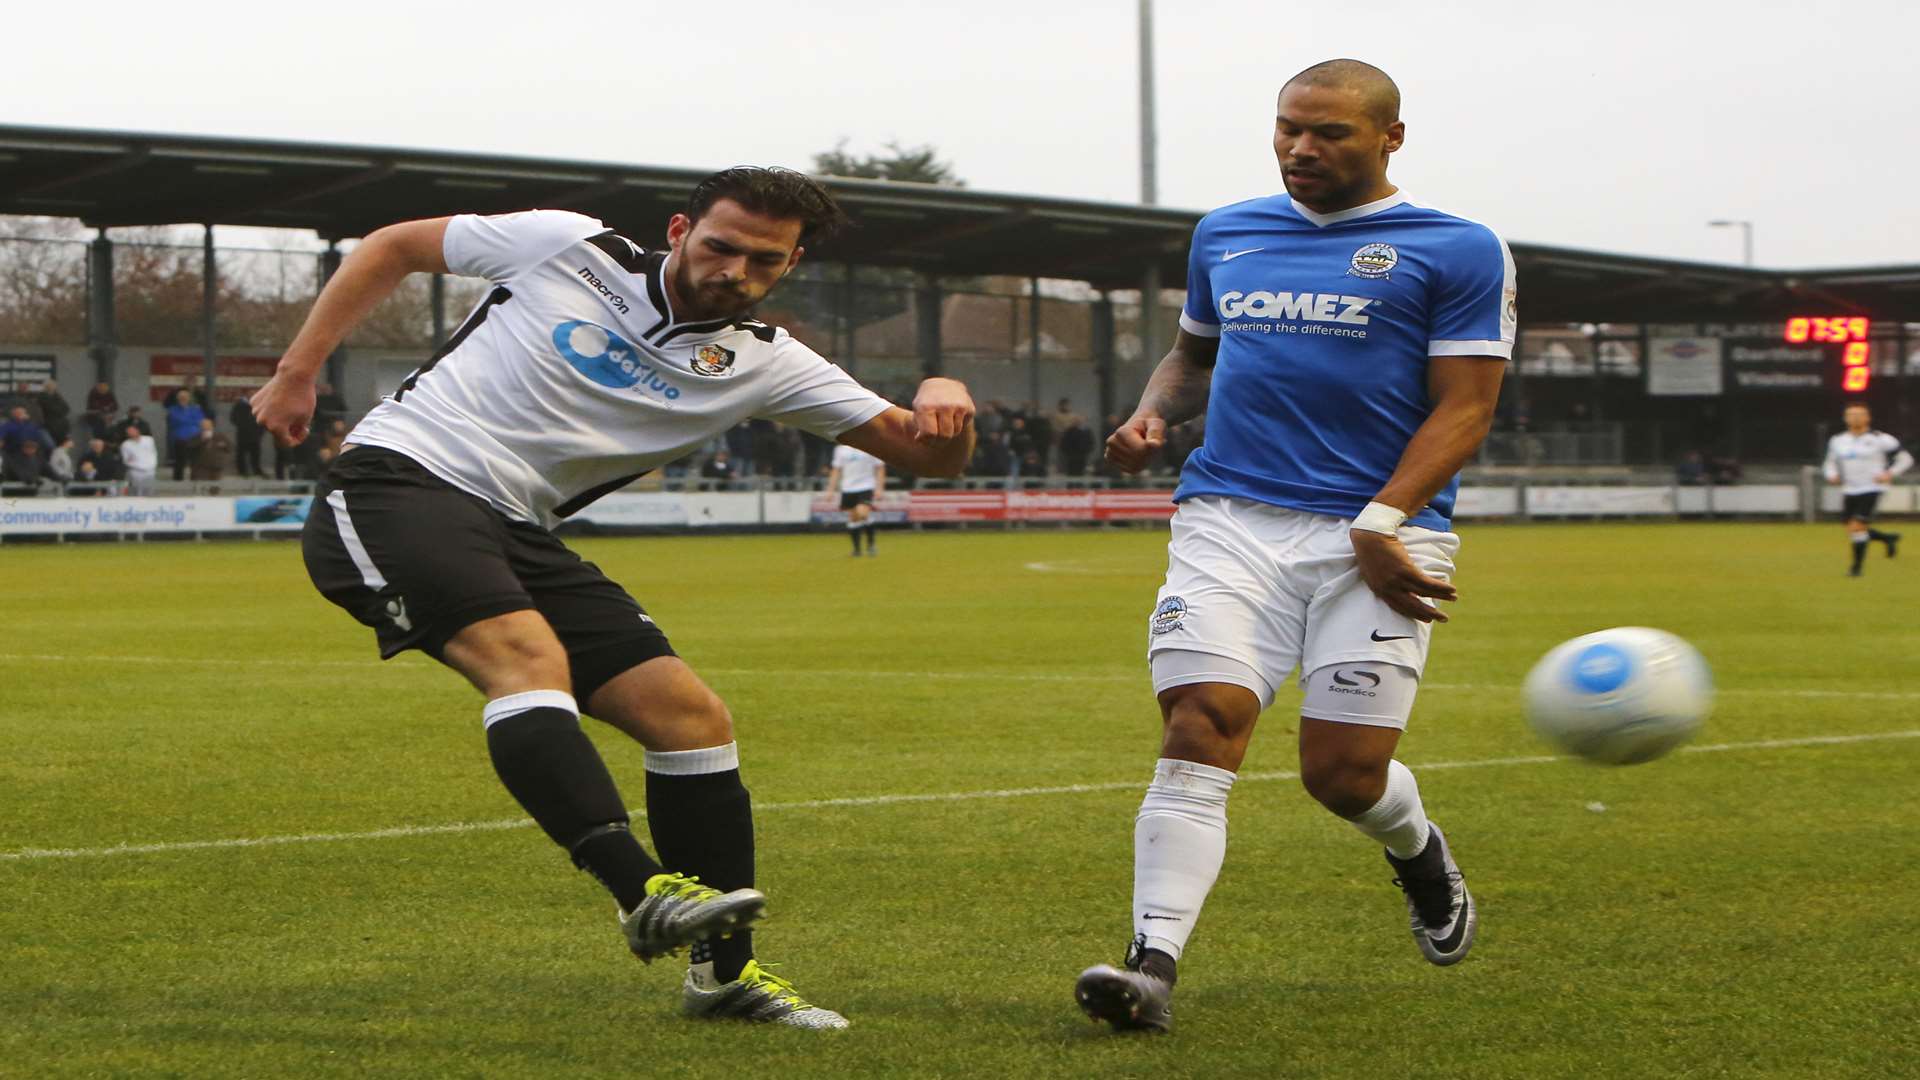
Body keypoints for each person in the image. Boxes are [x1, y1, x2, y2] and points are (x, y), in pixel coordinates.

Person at [249, 167, 976, 1030]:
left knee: (689, 717)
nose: (734, 270)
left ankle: (725, 976)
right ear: (680, 229)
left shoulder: (769, 364)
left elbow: (930, 458)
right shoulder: (566, 244)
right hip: (400, 479)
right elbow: (396, 245)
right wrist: (299, 373)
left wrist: (944, 395)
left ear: (789, 266)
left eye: (762, 261)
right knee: (527, 658)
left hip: (520, 526)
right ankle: (639, 890)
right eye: (720, 246)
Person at [1073, 59, 1514, 1033]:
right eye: (1287, 129)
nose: (1300, 149)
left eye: (1329, 133)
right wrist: (1151, 416)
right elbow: (1192, 356)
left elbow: (1467, 408)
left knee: (1342, 775)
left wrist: (1382, 520)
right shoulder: (1226, 233)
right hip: (1230, 515)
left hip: (1386, 533)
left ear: (1390, 137)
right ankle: (1152, 967)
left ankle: (1418, 851)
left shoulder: (1458, 249)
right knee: (1202, 718)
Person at [1823, 403, 1910, 576]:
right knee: (1853, 528)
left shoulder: (1881, 439)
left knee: (1857, 526)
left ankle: (1856, 569)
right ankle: (1887, 538)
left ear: (1867, 418)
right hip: (1850, 489)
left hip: (1872, 487)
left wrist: (1889, 473)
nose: (1855, 417)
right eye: (1851, 414)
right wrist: (1831, 474)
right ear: (1845, 418)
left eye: (1859, 414)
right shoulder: (1838, 440)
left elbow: (1905, 459)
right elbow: (1830, 462)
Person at [826, 442, 885, 556]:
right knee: (853, 519)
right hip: (848, 488)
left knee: (862, 513)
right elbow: (836, 470)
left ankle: (871, 544)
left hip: (866, 486)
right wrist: (830, 490)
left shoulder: (870, 446)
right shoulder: (840, 449)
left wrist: (879, 488)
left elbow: (880, 467)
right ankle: (857, 550)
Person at [165, 389, 206, 481]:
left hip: (195, 438)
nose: (184, 399)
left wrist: (193, 422)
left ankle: (195, 480)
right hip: (181, 438)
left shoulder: (195, 409)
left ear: (189, 399)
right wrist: (192, 421)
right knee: (180, 462)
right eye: (181, 398)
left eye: (185, 397)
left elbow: (201, 421)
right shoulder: (173, 410)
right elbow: (178, 420)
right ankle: (178, 481)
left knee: (196, 462)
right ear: (178, 399)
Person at [118, 424, 158, 495]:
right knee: (137, 492)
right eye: (128, 432)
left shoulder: (149, 440)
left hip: (150, 470)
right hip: (136, 472)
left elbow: (153, 452)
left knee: (150, 492)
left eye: (132, 431)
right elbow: (126, 460)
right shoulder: (125, 444)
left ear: (137, 431)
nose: (131, 433)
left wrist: (152, 464)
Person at [231, 397, 265, 477]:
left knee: (255, 453)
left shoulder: (259, 404)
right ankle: (242, 471)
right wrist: (242, 425)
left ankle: (256, 470)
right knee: (241, 453)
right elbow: (233, 418)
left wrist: (260, 431)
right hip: (243, 434)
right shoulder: (239, 405)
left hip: (255, 434)